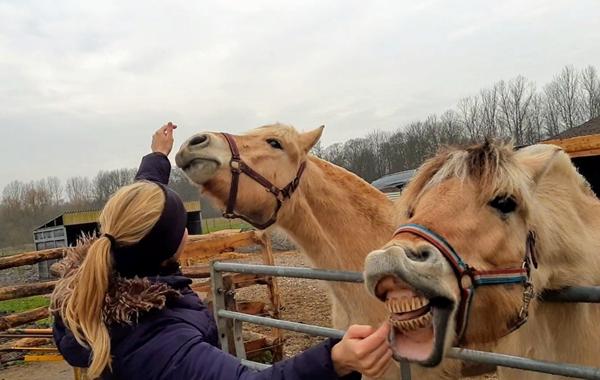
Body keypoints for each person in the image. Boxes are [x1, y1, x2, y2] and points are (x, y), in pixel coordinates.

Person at [51, 123, 393, 380]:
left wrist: (157, 158)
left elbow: (135, 216)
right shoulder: (164, 341)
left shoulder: (97, 291)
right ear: (180, 242)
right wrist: (334, 360)